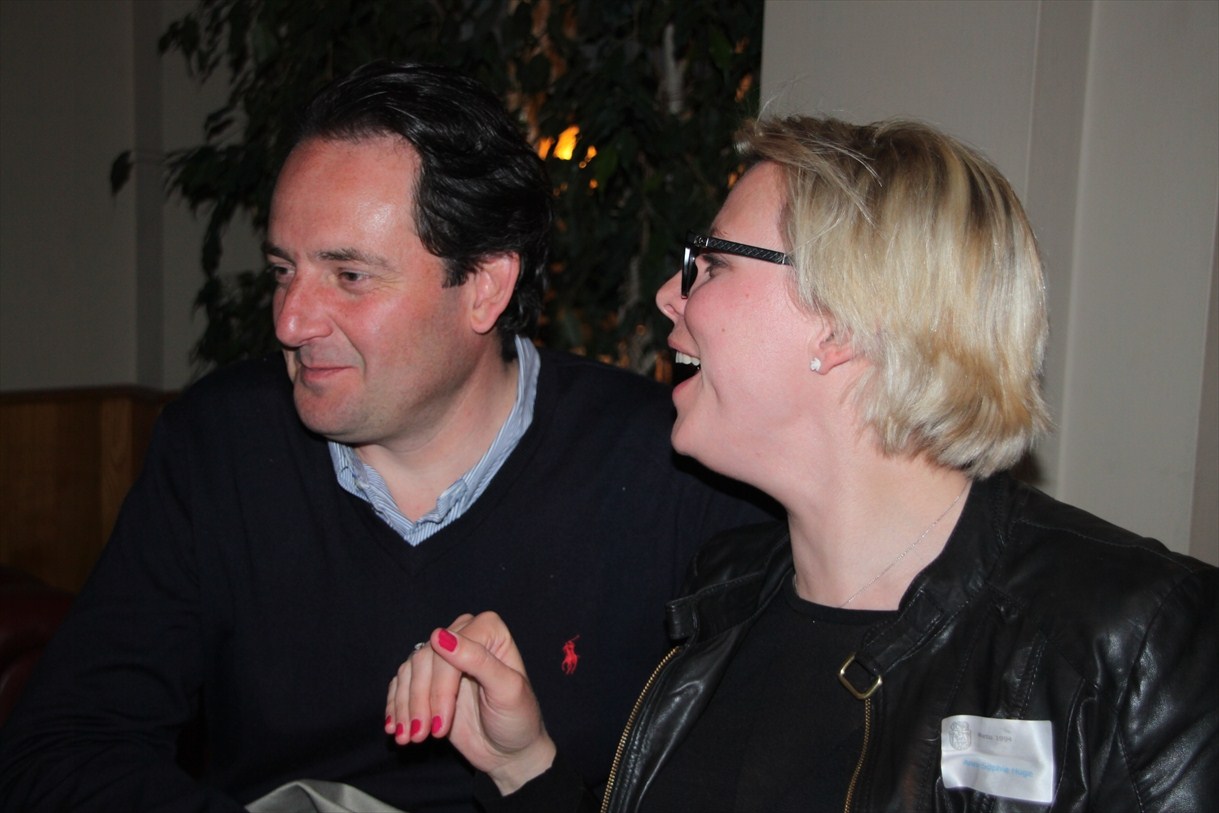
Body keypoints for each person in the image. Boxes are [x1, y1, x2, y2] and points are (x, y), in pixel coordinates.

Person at [387, 115, 1219, 812]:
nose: (670, 295)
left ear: (845, 321)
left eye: (711, 263)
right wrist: (523, 766)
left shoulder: (1135, 642)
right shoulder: (722, 601)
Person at [0, 62, 772, 812]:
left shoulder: (669, 466)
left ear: (484, 285)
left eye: (349, 276)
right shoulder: (221, 445)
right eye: (282, 270)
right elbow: (59, 749)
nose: (289, 321)